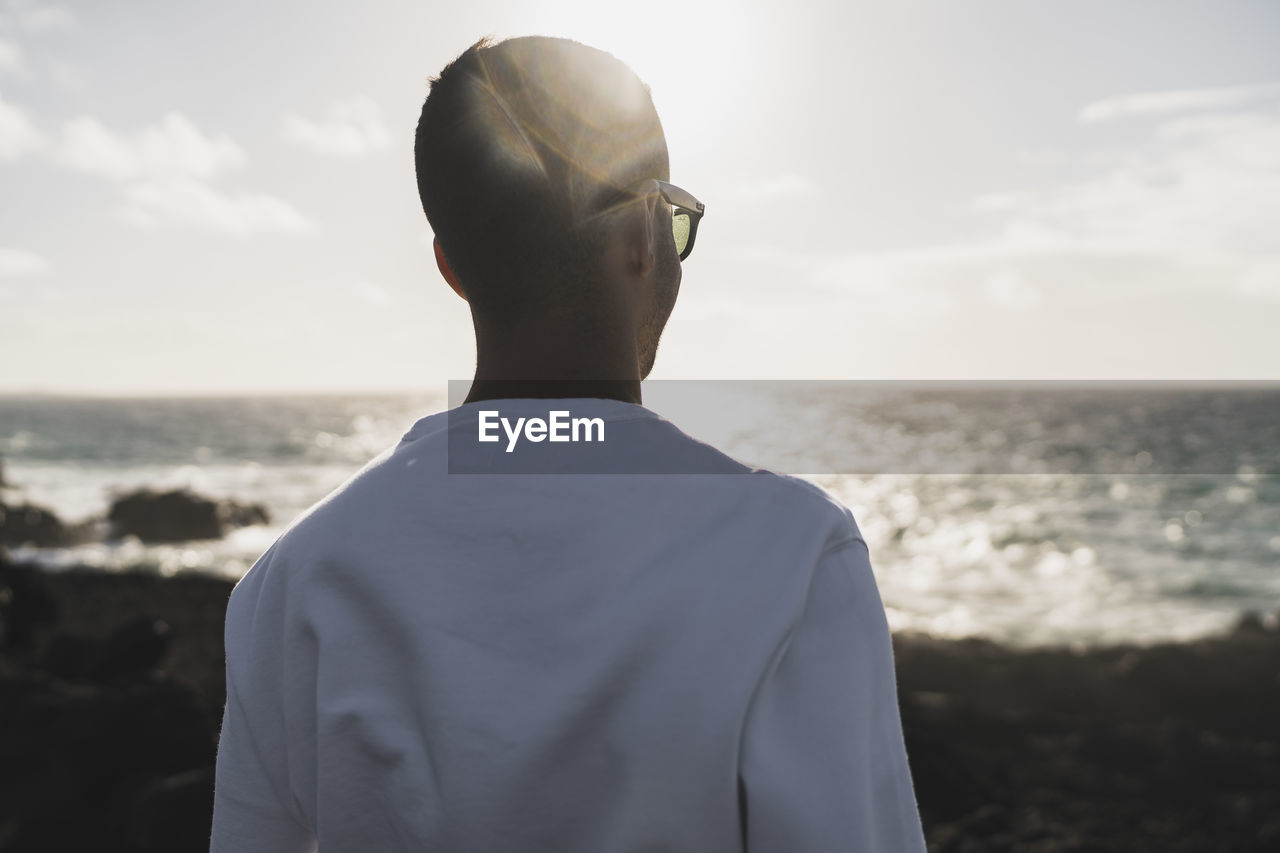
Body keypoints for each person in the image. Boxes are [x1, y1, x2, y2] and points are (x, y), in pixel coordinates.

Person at [210, 35, 927, 852]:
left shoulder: (289, 584)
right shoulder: (793, 560)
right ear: (644, 235)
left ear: (451, 267)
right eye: (678, 223)